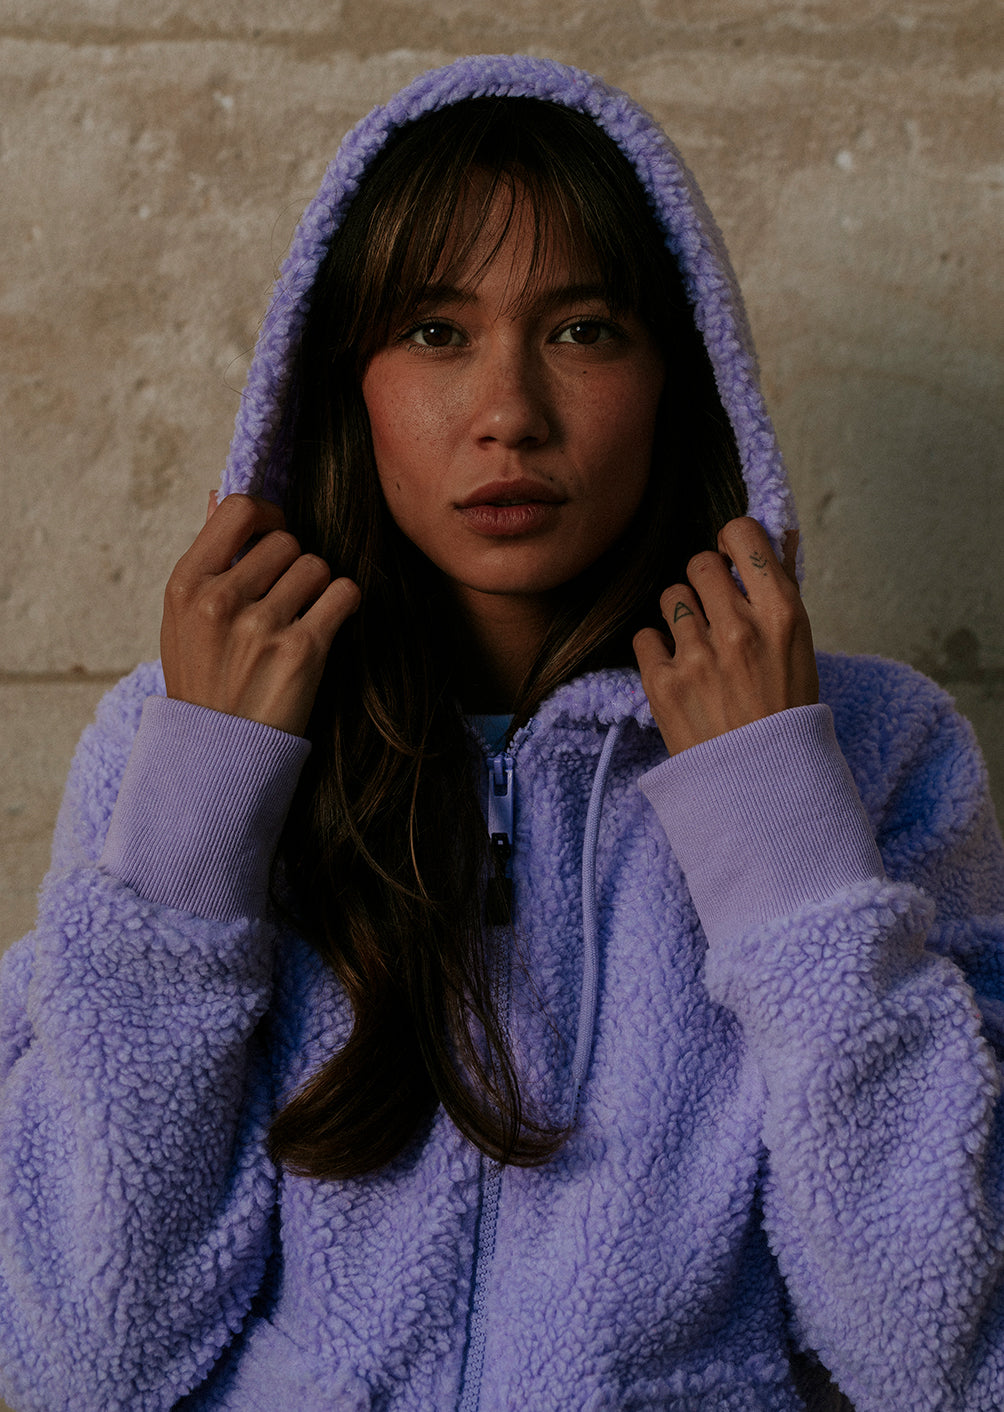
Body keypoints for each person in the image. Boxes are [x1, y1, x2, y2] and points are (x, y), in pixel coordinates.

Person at [1, 52, 1003, 1412]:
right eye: (434, 331)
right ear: (344, 380)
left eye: (584, 329)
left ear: (681, 373)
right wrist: (205, 800)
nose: (508, 415)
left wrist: (780, 825)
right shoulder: (174, 743)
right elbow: (81, 1358)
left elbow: (946, 1357)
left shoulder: (875, 750)